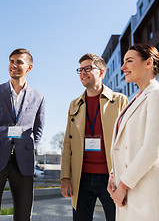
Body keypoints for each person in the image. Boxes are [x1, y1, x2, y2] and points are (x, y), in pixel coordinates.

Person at [108, 44, 159, 220]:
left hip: (148, 193)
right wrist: (113, 176)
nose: (123, 67)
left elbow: (151, 149)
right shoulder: (134, 100)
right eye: (123, 62)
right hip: (130, 193)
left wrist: (122, 186)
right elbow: (124, 146)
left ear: (148, 63)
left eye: (129, 61)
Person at [0, 48, 45, 221]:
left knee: (23, 216)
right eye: (11, 61)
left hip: (23, 162)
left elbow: (38, 129)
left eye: (19, 62)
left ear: (29, 67)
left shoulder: (39, 97)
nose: (14, 65)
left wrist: (26, 148)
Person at [60, 53, 128, 221]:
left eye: (88, 68)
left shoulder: (119, 101)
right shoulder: (74, 104)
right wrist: (65, 177)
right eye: (80, 70)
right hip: (81, 177)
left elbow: (128, 141)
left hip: (111, 177)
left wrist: (125, 179)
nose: (83, 73)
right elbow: (67, 143)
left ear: (102, 72)